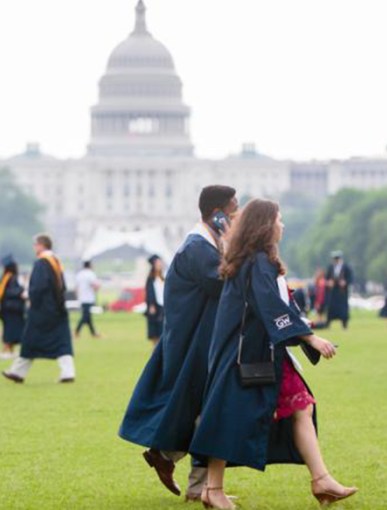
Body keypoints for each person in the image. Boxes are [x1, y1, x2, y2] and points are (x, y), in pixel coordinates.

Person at [189, 199, 357, 509]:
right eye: (278, 219)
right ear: (265, 225)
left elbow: (279, 304)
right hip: (246, 356)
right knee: (228, 417)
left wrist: (304, 332)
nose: (282, 225)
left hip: (264, 353)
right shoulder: (256, 262)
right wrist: (310, 337)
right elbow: (270, 307)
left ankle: (321, 480)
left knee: (301, 407)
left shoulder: (257, 260)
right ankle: (212, 489)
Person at [119, 185, 238, 502]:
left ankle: (171, 460)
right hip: (194, 345)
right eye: (234, 211)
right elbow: (222, 285)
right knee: (207, 412)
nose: (237, 216)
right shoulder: (199, 248)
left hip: (201, 341)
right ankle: (190, 477)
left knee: (204, 411)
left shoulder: (204, 245)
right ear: (218, 215)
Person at [2, 233, 75, 384]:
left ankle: (17, 372)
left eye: (35, 244)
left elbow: (38, 287)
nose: (34, 247)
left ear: (41, 245)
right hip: (57, 309)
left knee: (30, 340)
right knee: (62, 341)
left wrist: (29, 297)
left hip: (41, 310)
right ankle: (68, 372)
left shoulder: (42, 262)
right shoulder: (56, 261)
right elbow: (64, 287)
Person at [324, 251, 353, 329]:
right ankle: (328, 324)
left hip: (342, 292)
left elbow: (350, 278)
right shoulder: (330, 267)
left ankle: (344, 324)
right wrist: (328, 282)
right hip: (332, 292)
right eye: (335, 259)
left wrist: (345, 282)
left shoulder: (346, 267)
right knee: (331, 308)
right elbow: (326, 278)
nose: (336, 260)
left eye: (337, 258)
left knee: (343, 308)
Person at [74, 260, 101, 339]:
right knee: (85, 317)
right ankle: (76, 331)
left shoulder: (79, 274)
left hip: (82, 298)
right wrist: (98, 287)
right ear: (89, 265)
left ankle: (93, 333)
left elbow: (76, 288)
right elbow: (95, 285)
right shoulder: (90, 274)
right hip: (88, 298)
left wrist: (77, 297)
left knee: (87, 317)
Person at [144, 254, 164, 346]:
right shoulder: (150, 279)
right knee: (155, 332)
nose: (160, 265)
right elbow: (149, 293)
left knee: (162, 331)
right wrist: (151, 305)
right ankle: (155, 351)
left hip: (163, 307)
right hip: (155, 307)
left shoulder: (162, 278)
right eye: (158, 263)